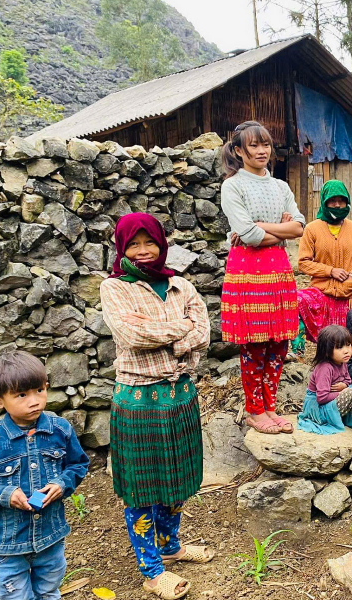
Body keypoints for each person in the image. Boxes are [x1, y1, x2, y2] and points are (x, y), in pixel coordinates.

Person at [100, 213, 214, 600]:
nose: (143, 251)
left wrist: (174, 336)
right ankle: (151, 569)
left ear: (162, 243)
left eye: (150, 242)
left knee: (177, 480)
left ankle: (171, 546)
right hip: (138, 401)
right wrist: (182, 331)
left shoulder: (181, 284)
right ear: (122, 248)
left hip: (180, 396)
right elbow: (131, 334)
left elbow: (205, 333)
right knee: (142, 487)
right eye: (133, 244)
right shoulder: (115, 288)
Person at [0, 352, 89, 600]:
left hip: (51, 537)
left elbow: (78, 465)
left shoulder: (60, 430)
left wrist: (61, 484)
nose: (34, 401)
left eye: (39, 390)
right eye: (22, 395)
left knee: (48, 591)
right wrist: (5, 494)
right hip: (10, 543)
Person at [220, 120, 305, 435]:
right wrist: (275, 230)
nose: (261, 151)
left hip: (278, 271)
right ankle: (255, 410)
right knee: (255, 345)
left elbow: (298, 227)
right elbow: (249, 235)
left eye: (265, 144)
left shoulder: (281, 187)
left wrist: (262, 227)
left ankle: (270, 406)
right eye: (253, 145)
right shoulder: (233, 186)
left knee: (279, 344)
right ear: (239, 150)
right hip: (248, 273)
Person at [297, 180, 352, 345]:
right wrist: (330, 271)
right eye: (332, 200)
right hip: (323, 292)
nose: (338, 205)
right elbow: (303, 262)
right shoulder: (312, 229)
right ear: (324, 202)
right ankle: (299, 352)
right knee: (297, 301)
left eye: (341, 200)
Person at [298, 325, 352, 442]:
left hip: (331, 403)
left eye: (348, 345)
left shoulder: (342, 362)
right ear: (327, 352)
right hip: (319, 410)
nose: (346, 350)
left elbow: (348, 380)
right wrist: (342, 391)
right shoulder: (325, 368)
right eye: (339, 347)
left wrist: (344, 386)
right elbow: (321, 398)